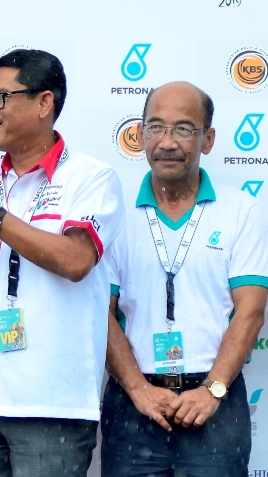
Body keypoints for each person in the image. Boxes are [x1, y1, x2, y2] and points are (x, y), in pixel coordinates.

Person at [0, 49, 125, 476]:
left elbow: (76, 261)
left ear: (43, 102)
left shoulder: (91, 177)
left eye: (1, 98)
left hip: (53, 404)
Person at [102, 81, 268, 476]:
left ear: (207, 139)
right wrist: (139, 389)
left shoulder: (240, 210)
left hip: (215, 402)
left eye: (183, 129)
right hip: (134, 404)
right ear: (140, 134)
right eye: (156, 127)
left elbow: (250, 311)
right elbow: (100, 312)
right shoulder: (114, 213)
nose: (167, 142)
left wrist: (212, 390)